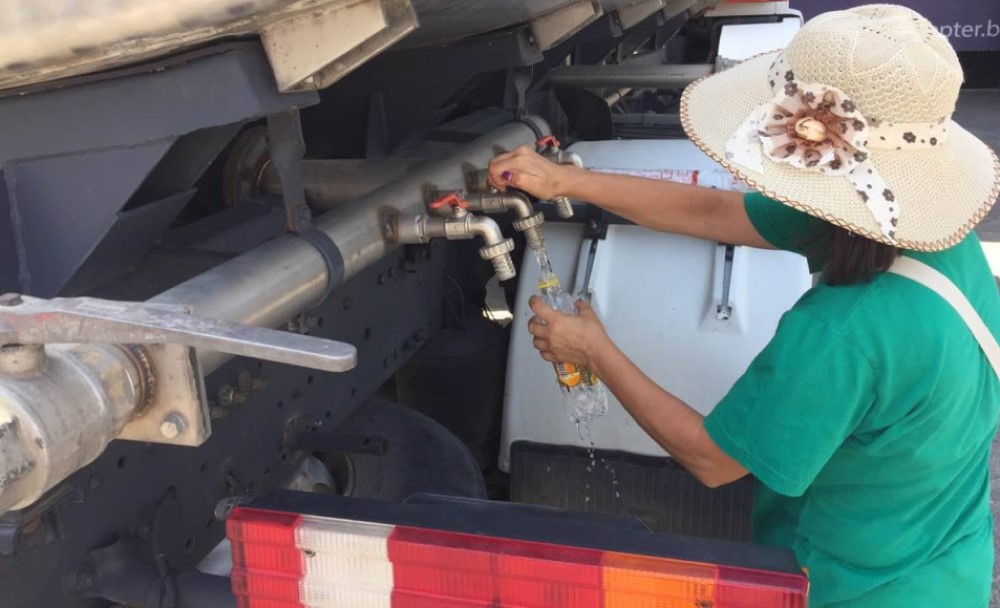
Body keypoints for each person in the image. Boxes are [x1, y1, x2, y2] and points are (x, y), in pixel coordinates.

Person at [489, 5, 1000, 607]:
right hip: (949, 564)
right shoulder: (922, 232)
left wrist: (594, 351)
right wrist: (567, 181)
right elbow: (717, 213)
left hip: (857, 591)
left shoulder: (841, 333)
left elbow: (711, 459)